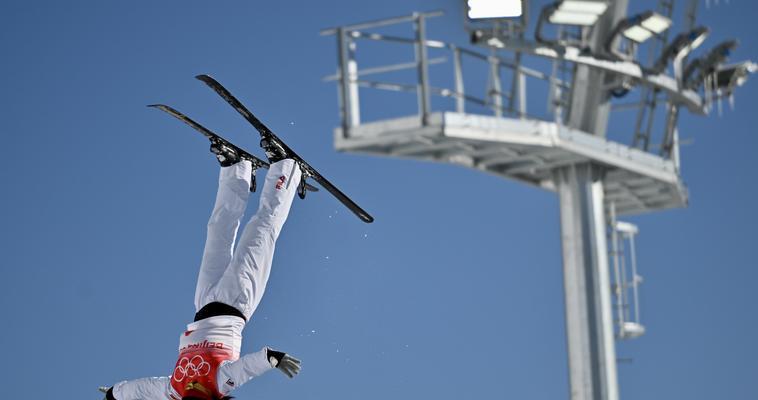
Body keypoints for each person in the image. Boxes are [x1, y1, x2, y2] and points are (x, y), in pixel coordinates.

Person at [100, 141, 302, 400]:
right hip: (236, 301)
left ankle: (237, 170)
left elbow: (143, 389)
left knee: (217, 231)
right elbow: (246, 368)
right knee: (260, 233)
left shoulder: (175, 389)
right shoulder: (220, 383)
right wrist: (272, 358)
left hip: (203, 302)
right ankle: (285, 169)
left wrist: (115, 394)